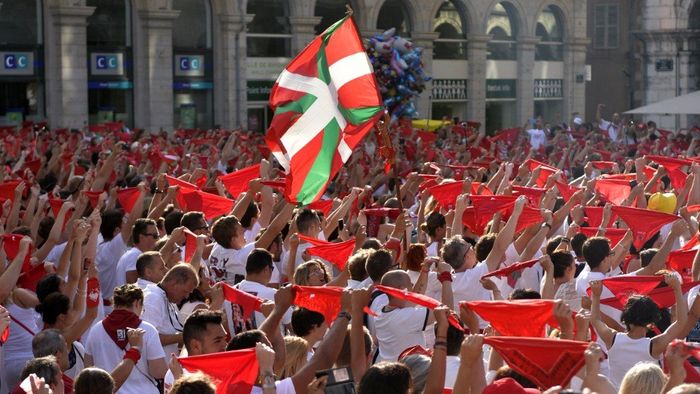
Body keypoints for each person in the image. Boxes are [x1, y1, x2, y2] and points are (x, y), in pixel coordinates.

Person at [84, 284, 167, 394]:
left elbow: (88, 367)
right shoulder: (148, 330)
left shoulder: (96, 330)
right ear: (137, 303)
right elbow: (159, 372)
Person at [142, 264, 199, 360]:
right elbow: (147, 338)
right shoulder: (153, 299)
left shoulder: (168, 298)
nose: (186, 297)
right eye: (185, 291)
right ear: (174, 283)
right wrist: (184, 336)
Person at [115, 218, 159, 286]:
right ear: (142, 237)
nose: (158, 239)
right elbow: (133, 284)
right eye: (155, 236)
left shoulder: (134, 254)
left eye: (158, 236)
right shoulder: (135, 255)